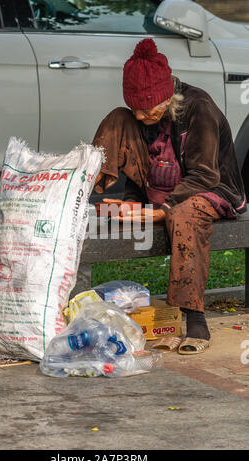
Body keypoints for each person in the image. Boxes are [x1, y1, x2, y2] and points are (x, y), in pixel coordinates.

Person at [92, 38, 247, 354]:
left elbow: (205, 176)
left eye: (147, 110)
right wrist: (134, 203)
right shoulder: (138, 116)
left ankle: (195, 319)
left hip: (209, 190)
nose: (140, 116)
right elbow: (146, 159)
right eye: (137, 108)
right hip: (161, 193)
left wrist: (158, 212)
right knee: (117, 117)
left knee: (185, 214)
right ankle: (79, 186)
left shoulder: (198, 108)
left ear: (166, 99)